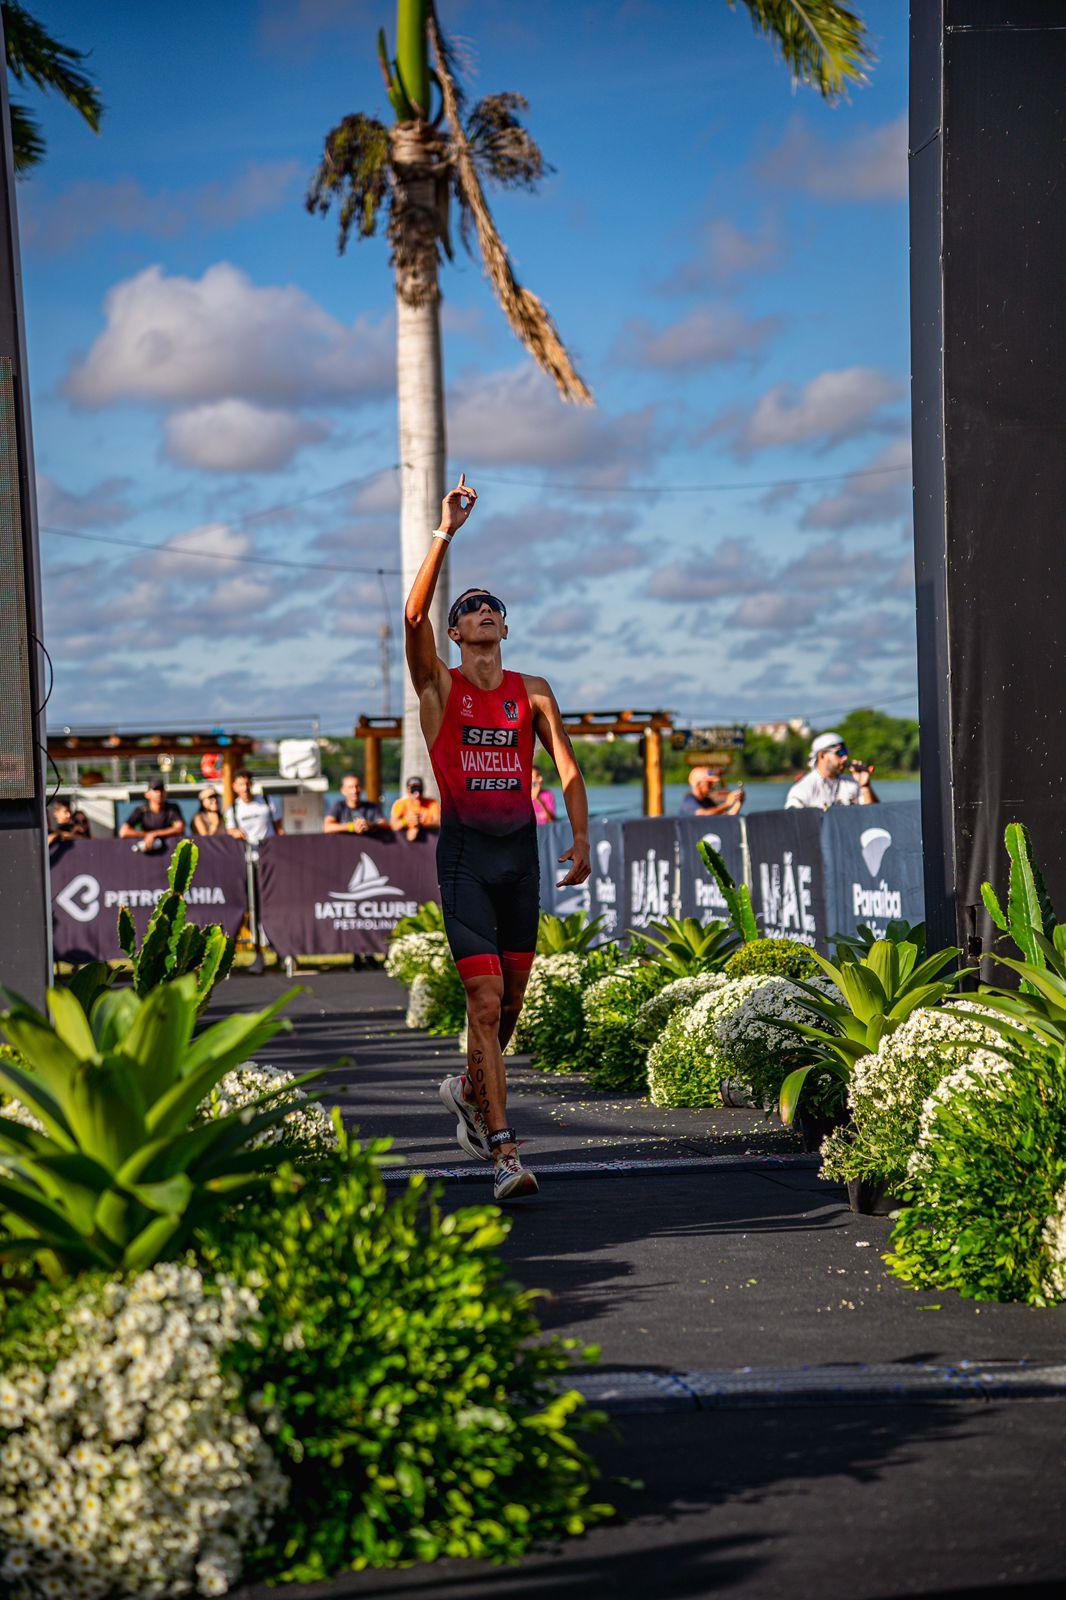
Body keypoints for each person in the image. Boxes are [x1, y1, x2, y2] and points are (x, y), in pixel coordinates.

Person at [404, 471, 590, 1203]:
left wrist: (578, 836)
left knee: (509, 1009)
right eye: (469, 607)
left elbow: (568, 768)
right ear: (456, 632)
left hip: (522, 859)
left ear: (504, 629)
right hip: (464, 861)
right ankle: (503, 1148)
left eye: (492, 607)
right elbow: (412, 617)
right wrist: (447, 530)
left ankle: (468, 1087)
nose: (481, 610)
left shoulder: (533, 690)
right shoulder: (440, 687)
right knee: (482, 1004)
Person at [785, 731, 879, 809]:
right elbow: (792, 819)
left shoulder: (852, 783)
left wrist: (865, 786)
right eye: (840, 753)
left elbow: (874, 817)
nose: (845, 757)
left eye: (846, 752)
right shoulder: (803, 788)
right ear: (821, 755)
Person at [119, 779, 185, 852]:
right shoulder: (141, 810)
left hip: (171, 852)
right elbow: (123, 832)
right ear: (147, 794)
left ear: (165, 793)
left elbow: (180, 828)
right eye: (155, 790)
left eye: (161, 790)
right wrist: (147, 835)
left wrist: (154, 834)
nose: (159, 793)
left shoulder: (172, 808)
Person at [225, 771, 283, 848]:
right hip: (248, 852)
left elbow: (279, 829)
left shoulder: (268, 800)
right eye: (241, 785)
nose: (245, 788)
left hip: (271, 849)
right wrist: (234, 832)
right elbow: (230, 830)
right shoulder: (232, 809)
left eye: (247, 784)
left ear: (252, 784)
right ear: (234, 787)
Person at [324, 773, 389, 834]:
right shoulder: (339, 806)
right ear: (343, 790)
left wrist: (370, 825)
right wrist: (352, 827)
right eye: (350, 787)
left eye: (357, 786)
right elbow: (327, 827)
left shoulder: (372, 807)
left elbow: (385, 825)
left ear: (362, 788)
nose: (355, 790)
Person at [679, 765, 744, 817]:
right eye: (709, 783)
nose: (712, 785)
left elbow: (725, 817)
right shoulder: (689, 801)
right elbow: (703, 814)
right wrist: (727, 804)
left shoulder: (707, 801)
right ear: (698, 784)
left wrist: (738, 803)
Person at [390, 775, 441, 840]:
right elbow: (392, 825)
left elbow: (439, 822)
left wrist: (422, 824)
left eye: (419, 789)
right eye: (413, 789)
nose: (417, 793)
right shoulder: (400, 804)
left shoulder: (432, 803)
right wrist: (406, 820)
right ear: (408, 790)